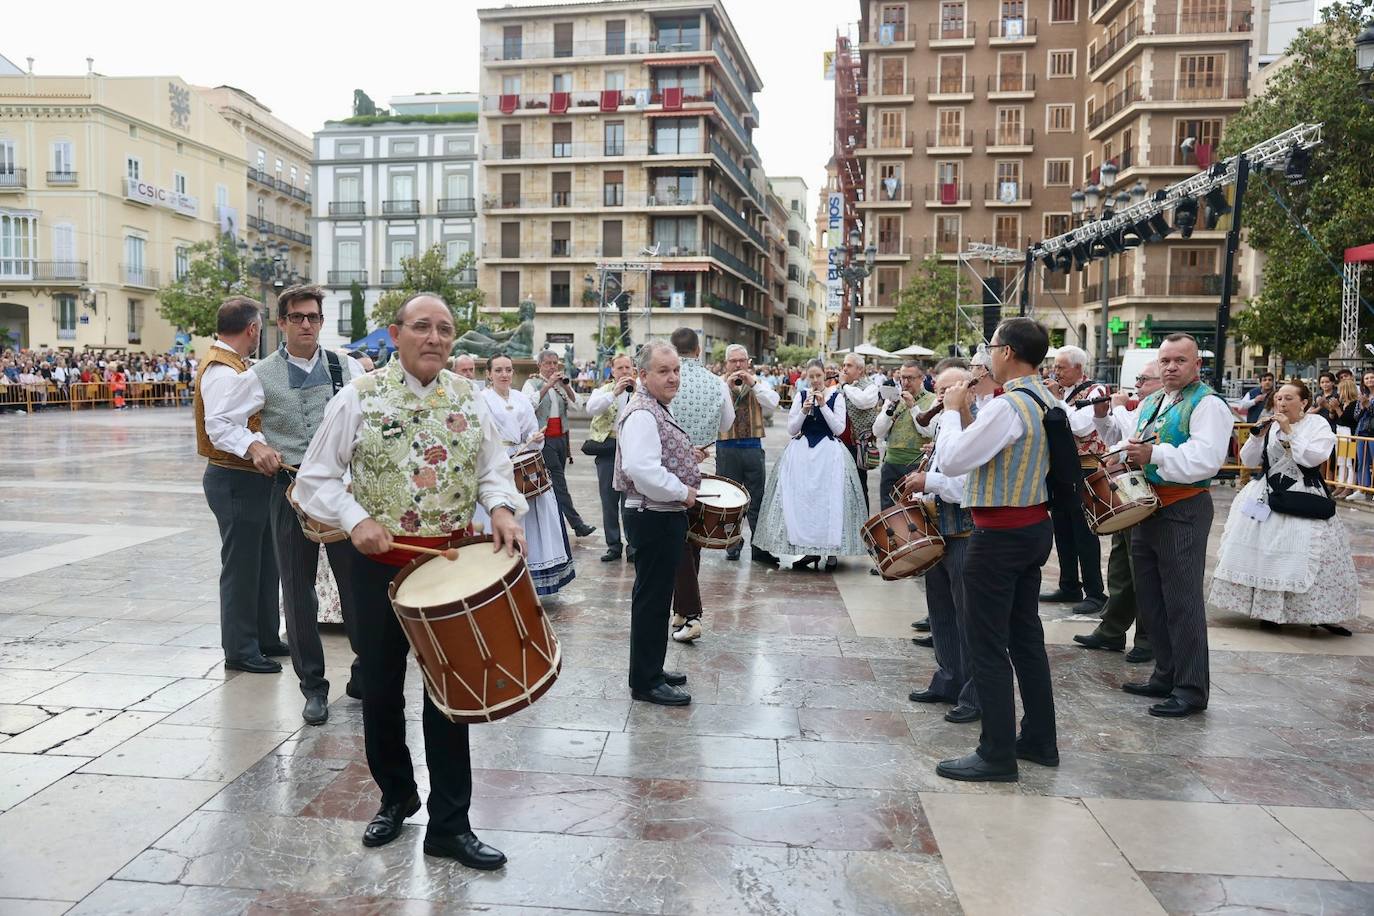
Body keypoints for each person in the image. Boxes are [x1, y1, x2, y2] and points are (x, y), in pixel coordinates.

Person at [294, 292, 526, 869]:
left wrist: (500, 508)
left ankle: (451, 824)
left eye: (445, 330)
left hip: (447, 571)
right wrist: (356, 519)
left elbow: (493, 472)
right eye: (422, 327)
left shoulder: (470, 400)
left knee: (452, 696)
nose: (435, 338)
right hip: (377, 567)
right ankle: (396, 797)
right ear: (395, 334)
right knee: (379, 689)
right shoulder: (359, 396)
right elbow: (312, 479)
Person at [211, 285, 366, 723]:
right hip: (289, 490)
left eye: (313, 317)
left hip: (341, 490)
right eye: (296, 317)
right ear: (282, 323)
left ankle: (364, 669)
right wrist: (252, 445)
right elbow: (220, 420)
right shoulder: (259, 373)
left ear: (321, 321)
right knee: (298, 595)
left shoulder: (345, 366)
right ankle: (313, 687)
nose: (305, 325)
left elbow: (370, 412)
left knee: (357, 586)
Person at [929, 317, 1059, 783]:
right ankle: (1040, 739)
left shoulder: (1009, 407)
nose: (987, 355)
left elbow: (954, 459)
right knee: (1025, 639)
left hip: (999, 534)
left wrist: (949, 410)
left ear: (1006, 352)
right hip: (1031, 526)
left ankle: (996, 751)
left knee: (986, 644)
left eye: (991, 347)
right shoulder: (1044, 397)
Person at [1117, 333, 1233, 719]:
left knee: (1182, 601)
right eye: (1165, 360)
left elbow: (1207, 459)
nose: (1170, 367)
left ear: (1196, 365)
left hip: (1184, 507)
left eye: (1179, 361)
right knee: (1150, 599)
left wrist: (1154, 453)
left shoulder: (1209, 404)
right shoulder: (1152, 400)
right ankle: (1165, 673)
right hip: (1147, 506)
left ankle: (1191, 687)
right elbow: (1132, 441)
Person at [1209, 380, 1358, 634]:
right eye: (1279, 398)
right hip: (1267, 494)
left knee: (1303, 551)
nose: (1282, 402)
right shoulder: (1271, 424)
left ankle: (1315, 612)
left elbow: (1310, 458)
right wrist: (1257, 438)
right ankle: (1267, 610)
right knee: (1264, 552)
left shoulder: (1317, 425)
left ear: (1304, 402)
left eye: (1289, 398)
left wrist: (1289, 431)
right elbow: (1249, 460)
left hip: (1303, 495)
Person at [195, 297, 285, 675]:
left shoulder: (233, 365)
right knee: (242, 567)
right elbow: (219, 426)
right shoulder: (222, 370)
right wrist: (254, 446)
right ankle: (240, 648)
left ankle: (265, 636)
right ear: (253, 329)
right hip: (234, 478)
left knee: (266, 563)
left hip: (249, 479)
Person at [615, 339, 696, 706]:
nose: (673, 377)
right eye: (664, 371)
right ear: (643, 375)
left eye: (676, 370)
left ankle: (652, 667)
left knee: (659, 597)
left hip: (659, 515)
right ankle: (645, 681)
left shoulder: (655, 408)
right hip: (652, 517)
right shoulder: (644, 412)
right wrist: (683, 491)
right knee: (651, 600)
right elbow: (640, 468)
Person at [903, 366, 980, 724]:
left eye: (950, 390)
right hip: (939, 531)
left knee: (970, 617)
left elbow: (968, 489)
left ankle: (975, 694)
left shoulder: (977, 425)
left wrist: (927, 480)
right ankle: (948, 679)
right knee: (941, 612)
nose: (942, 397)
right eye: (940, 390)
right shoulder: (946, 424)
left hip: (966, 533)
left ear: (969, 390)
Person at [1074, 361, 1163, 663]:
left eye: (1144, 379)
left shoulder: (1164, 408)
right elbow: (1118, 437)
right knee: (1121, 564)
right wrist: (1102, 414)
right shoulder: (1147, 406)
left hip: (1154, 491)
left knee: (1142, 569)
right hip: (1129, 489)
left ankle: (1148, 639)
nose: (1138, 384)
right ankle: (1112, 630)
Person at [753, 359, 867, 571]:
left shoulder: (837, 396)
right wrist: (804, 410)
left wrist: (823, 405)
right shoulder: (801, 395)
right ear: (807, 376)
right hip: (803, 453)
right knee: (805, 501)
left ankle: (831, 552)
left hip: (829, 454)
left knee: (830, 500)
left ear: (825, 375)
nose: (815, 380)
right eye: (811, 376)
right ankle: (809, 550)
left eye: (818, 376)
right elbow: (792, 429)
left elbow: (838, 429)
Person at [476, 353, 575, 596]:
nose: (504, 375)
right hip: (496, 464)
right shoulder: (481, 400)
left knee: (534, 517)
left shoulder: (521, 398)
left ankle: (533, 576)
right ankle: (500, 578)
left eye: (508, 370)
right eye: (498, 370)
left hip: (522, 461)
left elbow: (531, 429)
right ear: (488, 374)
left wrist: (534, 439)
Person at [666, 328, 734, 642]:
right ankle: (682, 609)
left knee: (679, 537)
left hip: (668, 464)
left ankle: (690, 613)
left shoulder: (666, 380)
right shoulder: (716, 382)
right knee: (692, 537)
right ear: (698, 349)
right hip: (705, 460)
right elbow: (727, 423)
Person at [1040, 345, 1108, 615]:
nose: (1055, 372)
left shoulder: (1096, 391)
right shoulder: (1061, 393)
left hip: (1085, 469)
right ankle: (1069, 584)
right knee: (1063, 529)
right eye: (1055, 367)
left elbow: (1081, 426)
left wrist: (1056, 401)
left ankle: (1095, 592)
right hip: (1059, 468)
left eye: (1061, 367)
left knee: (1084, 532)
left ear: (1079, 368)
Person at [716, 344, 780, 565]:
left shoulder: (759, 383)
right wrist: (726, 385)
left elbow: (773, 403)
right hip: (726, 447)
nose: (738, 365)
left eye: (742, 360)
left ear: (748, 362)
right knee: (728, 500)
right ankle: (732, 543)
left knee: (757, 499)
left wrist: (753, 383)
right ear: (726, 363)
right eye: (733, 361)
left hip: (753, 446)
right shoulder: (718, 384)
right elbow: (714, 407)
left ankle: (759, 546)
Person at [522, 349, 595, 537]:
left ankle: (554, 524)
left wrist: (567, 387)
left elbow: (578, 405)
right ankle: (577, 524)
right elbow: (528, 406)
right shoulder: (531, 384)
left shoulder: (562, 386)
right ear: (539, 365)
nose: (552, 366)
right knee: (559, 483)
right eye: (548, 363)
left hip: (561, 439)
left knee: (555, 483)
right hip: (543, 441)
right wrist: (547, 385)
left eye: (555, 363)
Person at [584, 353, 637, 562]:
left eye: (627, 368)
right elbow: (591, 408)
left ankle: (633, 546)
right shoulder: (604, 391)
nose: (624, 372)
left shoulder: (641, 390)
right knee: (609, 500)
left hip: (632, 449)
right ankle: (613, 545)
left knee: (631, 501)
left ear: (633, 369)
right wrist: (614, 392)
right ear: (613, 371)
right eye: (620, 368)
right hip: (608, 449)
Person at [873, 359, 940, 511]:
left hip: (917, 466)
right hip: (891, 463)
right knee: (888, 513)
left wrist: (913, 407)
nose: (905, 382)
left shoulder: (933, 400)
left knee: (914, 515)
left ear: (922, 378)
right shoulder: (894, 399)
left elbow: (928, 431)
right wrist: (889, 409)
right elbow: (877, 432)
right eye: (903, 377)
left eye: (910, 378)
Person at [838, 354, 882, 511]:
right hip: (840, 445)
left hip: (859, 446)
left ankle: (862, 522)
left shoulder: (870, 386)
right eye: (844, 365)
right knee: (840, 488)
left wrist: (844, 386)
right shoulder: (839, 387)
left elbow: (862, 402)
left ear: (860, 369)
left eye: (849, 365)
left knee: (860, 486)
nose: (844, 368)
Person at [1332, 376, 1359, 498]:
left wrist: (1337, 408)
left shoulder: (1354, 404)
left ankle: (1349, 486)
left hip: (1349, 433)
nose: (1338, 392)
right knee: (1341, 460)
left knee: (1350, 461)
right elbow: (1335, 418)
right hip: (1340, 433)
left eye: (1340, 389)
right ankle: (1340, 484)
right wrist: (1333, 408)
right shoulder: (1342, 403)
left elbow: (1347, 420)